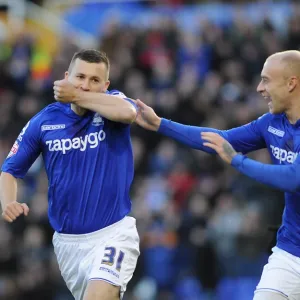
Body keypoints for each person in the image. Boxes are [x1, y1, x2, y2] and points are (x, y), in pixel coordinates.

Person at [135, 50, 300, 300]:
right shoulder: (271, 123)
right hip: (290, 249)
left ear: (291, 83)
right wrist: (160, 124)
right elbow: (219, 139)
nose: (258, 88)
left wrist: (237, 161)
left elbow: (293, 178)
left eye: (266, 80)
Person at [0, 49, 140, 300]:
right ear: (66, 76)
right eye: (80, 77)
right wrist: (8, 202)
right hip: (68, 245)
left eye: (95, 81)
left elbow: (128, 113)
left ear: (106, 86)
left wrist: (75, 95)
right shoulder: (45, 121)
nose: (86, 85)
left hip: (114, 235)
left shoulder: (113, 104)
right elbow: (9, 170)